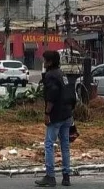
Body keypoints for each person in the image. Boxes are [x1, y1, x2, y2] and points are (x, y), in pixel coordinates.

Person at [36, 50, 76, 187]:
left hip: (56, 115)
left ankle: (50, 176)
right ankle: (66, 176)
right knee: (65, 146)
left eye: (45, 60)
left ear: (50, 62)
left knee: (49, 144)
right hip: (67, 114)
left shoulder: (51, 76)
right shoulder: (62, 73)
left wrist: (47, 113)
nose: (43, 62)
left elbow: (51, 96)